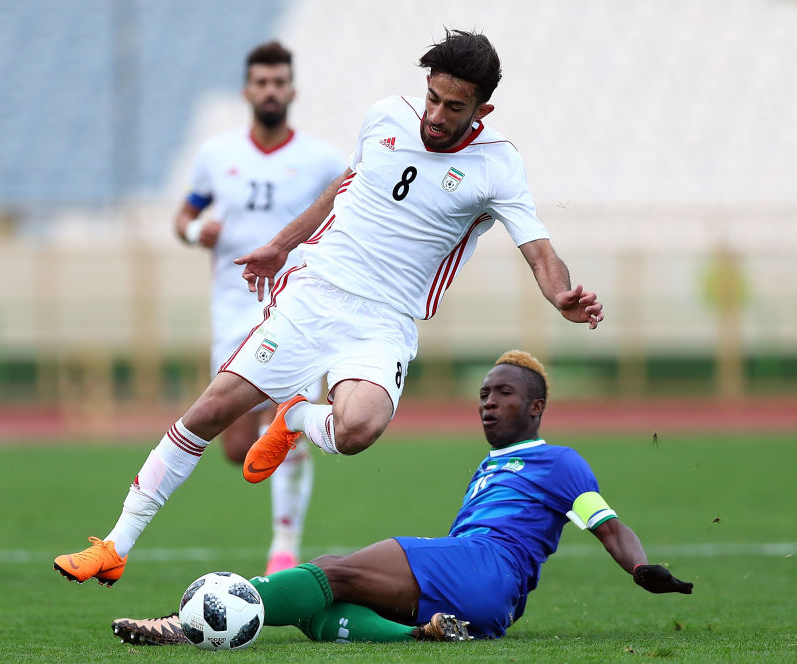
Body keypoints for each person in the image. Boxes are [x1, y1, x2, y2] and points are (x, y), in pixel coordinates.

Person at [53, 29, 606, 588]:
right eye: (433, 97)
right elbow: (344, 188)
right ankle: (115, 545)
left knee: (358, 430)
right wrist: (281, 244)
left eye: (453, 106)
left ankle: (292, 417)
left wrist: (560, 295)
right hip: (317, 293)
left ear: (481, 109)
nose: (435, 115)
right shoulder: (386, 117)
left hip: (386, 319)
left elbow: (539, 251)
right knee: (211, 412)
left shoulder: (498, 167)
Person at [109, 350, 694, 646]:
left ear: (535, 407)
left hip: (483, 565)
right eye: (484, 393)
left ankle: (186, 626)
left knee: (331, 569)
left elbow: (607, 525)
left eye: (504, 394)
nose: (488, 402)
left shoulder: (558, 460)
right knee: (320, 608)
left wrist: (641, 567)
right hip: (489, 598)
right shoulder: (492, 465)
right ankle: (420, 635)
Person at [172, 40, 346, 575]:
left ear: (291, 89)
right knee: (236, 449)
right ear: (248, 90)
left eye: (279, 82)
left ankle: (283, 545)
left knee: (287, 423)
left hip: (295, 308)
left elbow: (350, 215)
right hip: (232, 311)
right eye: (261, 82)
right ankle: (280, 515)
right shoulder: (215, 156)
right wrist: (201, 230)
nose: (271, 90)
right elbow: (182, 218)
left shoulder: (322, 160)